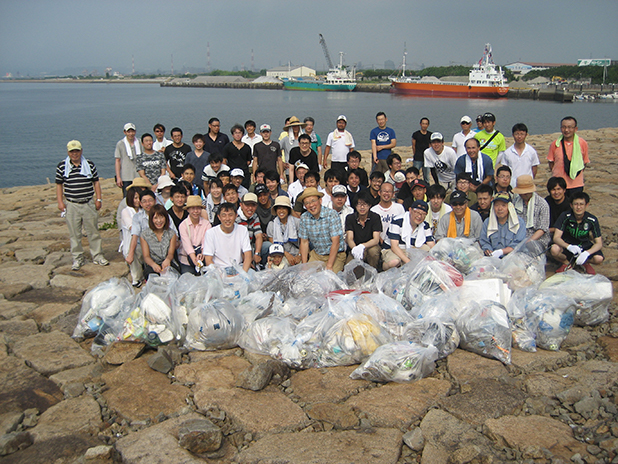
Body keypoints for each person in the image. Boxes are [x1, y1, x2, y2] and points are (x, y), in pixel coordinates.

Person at [56, 139, 108, 270]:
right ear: (68, 152)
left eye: (77, 151)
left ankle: (97, 256)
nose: (75, 154)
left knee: (93, 231)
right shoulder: (62, 166)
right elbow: (59, 184)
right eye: (72, 151)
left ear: (81, 151)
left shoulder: (89, 164)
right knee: (75, 233)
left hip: (88, 202)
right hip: (72, 204)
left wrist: (99, 199)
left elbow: (96, 182)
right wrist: (60, 202)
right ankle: (78, 258)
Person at [550, 192, 603, 274]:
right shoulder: (565, 216)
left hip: (584, 245)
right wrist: (568, 246)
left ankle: (585, 262)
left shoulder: (592, 220)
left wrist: (587, 253)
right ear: (571, 205)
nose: (578, 207)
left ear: (586, 205)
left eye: (581, 204)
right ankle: (566, 263)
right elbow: (556, 237)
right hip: (568, 245)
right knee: (554, 249)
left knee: (598, 258)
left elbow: (599, 243)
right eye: (576, 204)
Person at [298, 187, 347, 272]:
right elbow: (304, 242)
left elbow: (336, 242)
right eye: (307, 203)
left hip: (336, 255)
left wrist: (329, 265)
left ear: (320, 201)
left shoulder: (332, 214)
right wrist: (304, 265)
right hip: (317, 255)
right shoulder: (304, 217)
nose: (311, 205)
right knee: (306, 278)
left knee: (329, 280)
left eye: (313, 201)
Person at [382, 199, 435, 270]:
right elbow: (394, 246)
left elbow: (431, 244)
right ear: (410, 210)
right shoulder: (397, 221)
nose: (419, 216)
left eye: (423, 214)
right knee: (394, 262)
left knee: (427, 249)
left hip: (411, 248)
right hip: (393, 249)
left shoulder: (425, 225)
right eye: (417, 212)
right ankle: (383, 267)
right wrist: (408, 262)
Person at [203, 202, 252, 273]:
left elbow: (248, 255)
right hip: (219, 270)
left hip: (239, 268)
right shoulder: (211, 233)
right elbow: (208, 260)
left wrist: (243, 274)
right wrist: (222, 275)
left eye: (230, 215)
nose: (227, 218)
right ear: (219, 217)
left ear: (236, 216)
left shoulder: (242, 230)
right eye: (224, 215)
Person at [547, 116, 589, 196]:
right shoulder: (555, 144)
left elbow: (584, 163)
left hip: (576, 184)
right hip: (559, 185)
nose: (566, 130)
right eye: (564, 127)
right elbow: (551, 162)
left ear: (575, 129)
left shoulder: (582, 143)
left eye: (569, 127)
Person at [479, 193, 526, 258]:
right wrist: (488, 250)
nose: (500, 208)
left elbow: (519, 244)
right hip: (492, 258)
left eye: (503, 205)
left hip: (513, 258)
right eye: (497, 205)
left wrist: (502, 252)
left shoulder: (519, 222)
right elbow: (484, 241)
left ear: (509, 207)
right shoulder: (487, 222)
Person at [345, 190, 382, 268]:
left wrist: (362, 246)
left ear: (369, 205)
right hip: (356, 245)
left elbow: (376, 239)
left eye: (365, 204)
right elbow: (349, 238)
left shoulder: (375, 217)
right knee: (349, 265)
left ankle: (373, 272)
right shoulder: (350, 218)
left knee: (373, 252)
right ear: (355, 206)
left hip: (371, 245)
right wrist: (355, 249)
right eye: (359, 204)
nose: (362, 207)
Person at [512, 175, 551, 247]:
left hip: (538, 239)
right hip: (518, 237)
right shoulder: (514, 203)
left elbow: (542, 229)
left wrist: (528, 242)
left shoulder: (542, 204)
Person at [141, 204, 178, 279]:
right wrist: (153, 265)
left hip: (167, 262)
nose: (159, 221)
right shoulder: (144, 235)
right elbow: (146, 256)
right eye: (155, 218)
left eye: (161, 217)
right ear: (151, 219)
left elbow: (171, 253)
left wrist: (167, 260)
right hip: (153, 264)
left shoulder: (171, 233)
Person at [178, 196, 211, 275]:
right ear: (188, 210)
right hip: (186, 258)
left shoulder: (206, 224)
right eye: (193, 208)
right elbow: (187, 245)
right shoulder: (183, 225)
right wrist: (193, 258)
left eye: (198, 208)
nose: (196, 211)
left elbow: (205, 241)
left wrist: (202, 253)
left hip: (202, 257)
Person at [266, 196, 301, 266]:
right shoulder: (272, 224)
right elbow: (272, 242)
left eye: (284, 208)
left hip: (297, 252)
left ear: (288, 210)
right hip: (279, 254)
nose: (281, 211)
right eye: (279, 208)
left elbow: (303, 241)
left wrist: (299, 255)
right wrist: (286, 254)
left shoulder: (297, 222)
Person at [119, 186, 143, 286]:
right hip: (131, 241)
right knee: (132, 251)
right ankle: (136, 278)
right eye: (135, 198)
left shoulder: (143, 210)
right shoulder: (126, 211)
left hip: (143, 240)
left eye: (139, 198)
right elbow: (132, 228)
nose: (137, 200)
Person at [236, 193, 264, 268]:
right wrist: (247, 260)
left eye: (253, 205)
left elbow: (258, 236)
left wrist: (257, 253)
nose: (250, 208)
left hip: (250, 247)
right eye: (247, 205)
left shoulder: (255, 216)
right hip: (237, 250)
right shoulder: (235, 218)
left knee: (266, 246)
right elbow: (236, 243)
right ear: (241, 205)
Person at [114, 123, 140, 195]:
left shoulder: (140, 142)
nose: (131, 134)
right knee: (127, 197)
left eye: (132, 131)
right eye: (129, 132)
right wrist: (118, 177)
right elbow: (117, 160)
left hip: (138, 175)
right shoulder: (120, 144)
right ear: (125, 132)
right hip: (126, 176)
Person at [223, 124, 252, 189]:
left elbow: (248, 161)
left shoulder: (247, 147)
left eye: (239, 133)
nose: (238, 135)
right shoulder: (228, 147)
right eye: (236, 133)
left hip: (244, 174)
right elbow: (224, 160)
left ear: (243, 134)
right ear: (233, 135)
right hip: (232, 174)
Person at [411, 117, 432, 182]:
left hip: (427, 158)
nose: (424, 125)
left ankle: (427, 188)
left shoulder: (430, 135)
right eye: (423, 124)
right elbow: (413, 146)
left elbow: (430, 146)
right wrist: (415, 154)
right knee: (414, 174)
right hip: (418, 157)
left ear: (428, 125)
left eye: (426, 124)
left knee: (426, 176)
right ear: (420, 124)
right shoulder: (416, 134)